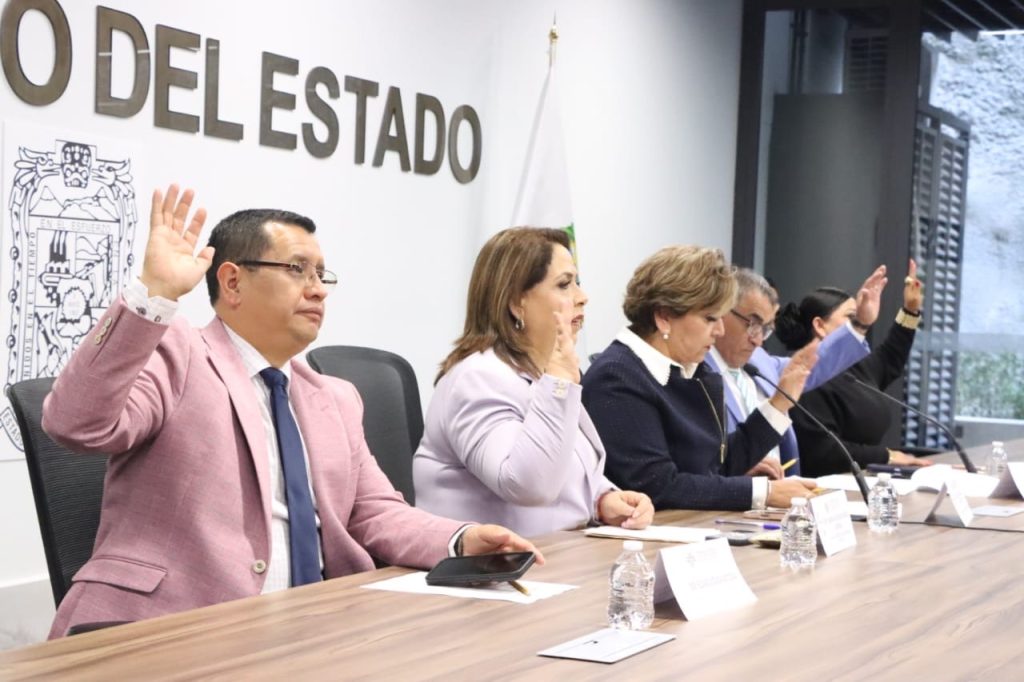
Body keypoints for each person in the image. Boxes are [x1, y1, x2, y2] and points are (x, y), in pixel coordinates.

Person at [41, 185, 539, 638]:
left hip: (312, 631)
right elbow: (76, 424)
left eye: (321, 274)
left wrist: (461, 538)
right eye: (298, 269)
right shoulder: (178, 352)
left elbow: (374, 512)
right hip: (170, 629)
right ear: (232, 282)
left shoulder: (335, 398)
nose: (318, 288)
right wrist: (154, 296)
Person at [414, 228, 653, 537]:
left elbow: (561, 461)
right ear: (516, 302)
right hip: (491, 562)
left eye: (577, 283)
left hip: (555, 553)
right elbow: (528, 485)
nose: (582, 297)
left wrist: (601, 499)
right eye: (564, 284)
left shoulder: (538, 374)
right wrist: (559, 385)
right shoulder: (477, 379)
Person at [582, 245, 819, 512]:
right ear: (664, 316)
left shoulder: (693, 372)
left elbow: (717, 465)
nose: (720, 331)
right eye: (710, 318)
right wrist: (764, 493)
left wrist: (779, 405)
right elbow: (658, 486)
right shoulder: (617, 377)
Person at [704, 266, 887, 476]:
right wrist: (737, 473)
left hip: (784, 488)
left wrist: (860, 324)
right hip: (734, 491)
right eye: (753, 323)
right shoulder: (694, 370)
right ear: (722, 311)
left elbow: (810, 364)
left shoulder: (759, 360)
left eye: (765, 329)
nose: (758, 340)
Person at [774, 260, 935, 477]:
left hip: (865, 480)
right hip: (824, 487)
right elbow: (823, 452)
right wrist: (886, 456)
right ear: (820, 325)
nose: (860, 323)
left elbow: (891, 357)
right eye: (852, 317)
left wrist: (910, 310)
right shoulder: (803, 377)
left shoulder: (854, 369)